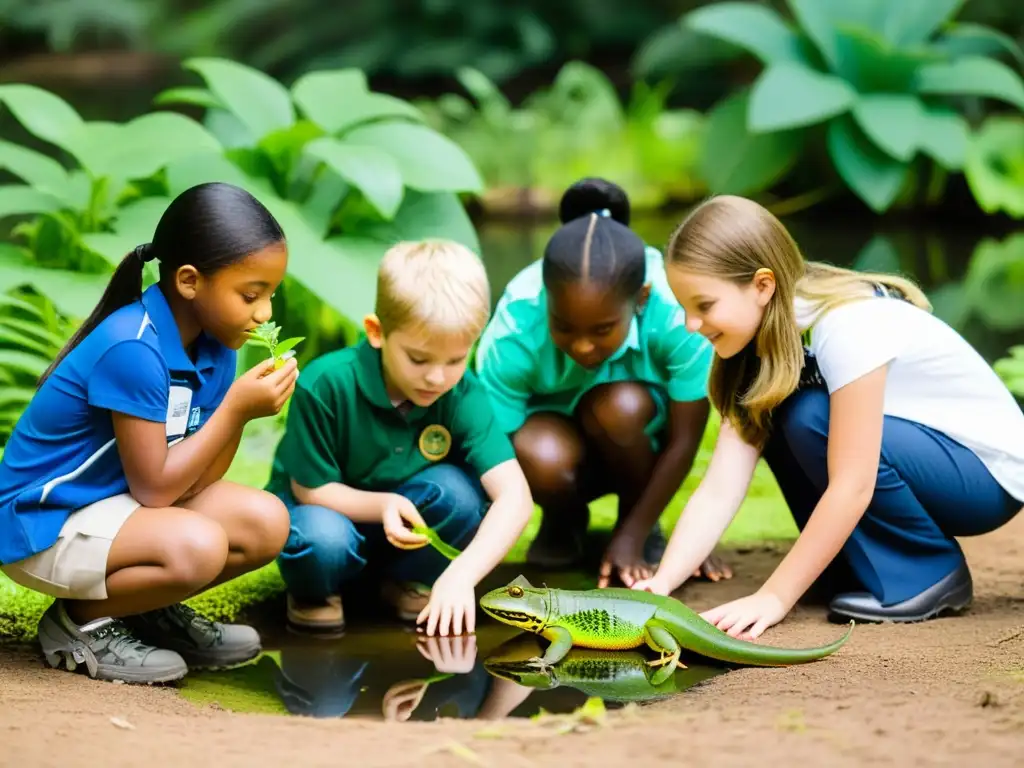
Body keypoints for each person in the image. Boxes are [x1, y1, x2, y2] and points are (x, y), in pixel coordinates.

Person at [632, 194, 1024, 638]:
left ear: (763, 286)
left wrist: (774, 597)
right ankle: (851, 567)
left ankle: (924, 572)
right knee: (785, 409)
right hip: (920, 458)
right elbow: (721, 487)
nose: (690, 324)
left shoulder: (845, 325)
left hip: (984, 476)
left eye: (704, 306)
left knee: (809, 415)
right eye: (685, 307)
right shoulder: (758, 350)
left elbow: (853, 482)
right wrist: (662, 583)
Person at [0, 182, 298, 684]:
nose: (265, 313)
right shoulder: (133, 349)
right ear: (188, 282)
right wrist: (236, 411)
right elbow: (157, 489)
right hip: (42, 521)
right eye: (251, 295)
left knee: (265, 522)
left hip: (115, 504)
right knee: (198, 546)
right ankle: (79, 623)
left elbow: (198, 480)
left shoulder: (217, 345)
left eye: (270, 294)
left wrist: (236, 411)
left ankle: (146, 608)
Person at [267, 239, 533, 638]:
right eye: (419, 359)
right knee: (322, 541)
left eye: (456, 360)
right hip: (329, 517)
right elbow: (311, 490)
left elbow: (515, 497)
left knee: (460, 496)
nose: (437, 378)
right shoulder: (325, 384)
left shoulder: (462, 395)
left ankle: (402, 581)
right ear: (377, 332)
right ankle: (317, 593)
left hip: (406, 531)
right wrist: (385, 504)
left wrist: (461, 576)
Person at [475, 178, 728, 588]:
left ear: (641, 298)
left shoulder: (679, 313)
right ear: (546, 298)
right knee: (535, 451)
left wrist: (639, 534)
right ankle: (564, 520)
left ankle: (639, 520)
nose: (582, 346)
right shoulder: (513, 330)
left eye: (602, 329)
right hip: (555, 446)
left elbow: (684, 441)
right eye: (564, 326)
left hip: (636, 442)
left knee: (620, 407)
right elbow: (492, 451)